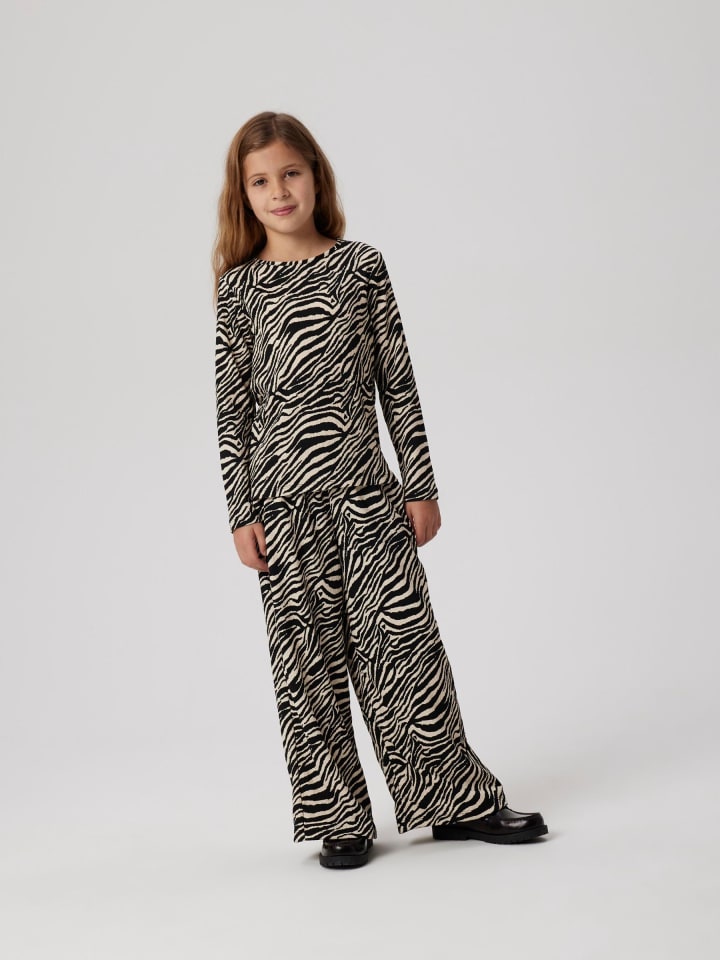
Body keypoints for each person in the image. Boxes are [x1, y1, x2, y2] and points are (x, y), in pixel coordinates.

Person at [212, 110, 548, 869]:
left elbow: (397, 382)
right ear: (243, 194)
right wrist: (241, 512)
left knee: (406, 649)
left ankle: (455, 802)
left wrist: (419, 483)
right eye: (260, 181)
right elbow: (234, 410)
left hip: (368, 498)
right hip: (283, 512)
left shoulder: (361, 267)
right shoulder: (239, 289)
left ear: (316, 176)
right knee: (307, 668)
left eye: (290, 174)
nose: (279, 191)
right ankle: (339, 817)